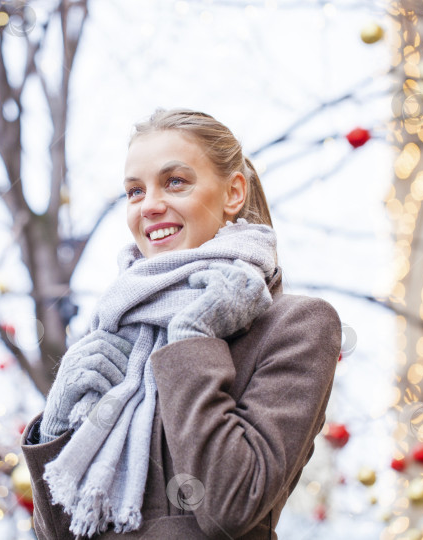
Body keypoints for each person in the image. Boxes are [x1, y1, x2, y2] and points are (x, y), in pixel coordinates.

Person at [19, 108, 342, 539]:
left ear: (233, 193)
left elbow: (231, 504)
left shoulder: (296, 326)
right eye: (135, 191)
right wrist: (57, 422)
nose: (150, 205)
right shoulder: (114, 329)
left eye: (175, 182)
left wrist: (191, 339)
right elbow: (60, 534)